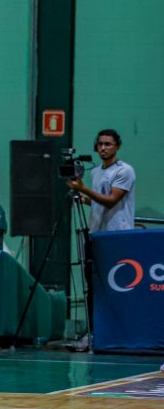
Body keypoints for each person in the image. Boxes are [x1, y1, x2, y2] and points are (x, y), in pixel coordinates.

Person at [67, 128, 135, 352]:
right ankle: (94, 333)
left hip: (117, 237)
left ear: (117, 146)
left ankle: (121, 333)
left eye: (108, 144)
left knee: (119, 286)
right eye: (100, 144)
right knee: (94, 286)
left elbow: (111, 200)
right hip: (96, 235)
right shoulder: (96, 171)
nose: (103, 148)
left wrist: (83, 189)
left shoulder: (124, 171)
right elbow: (99, 202)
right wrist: (83, 197)